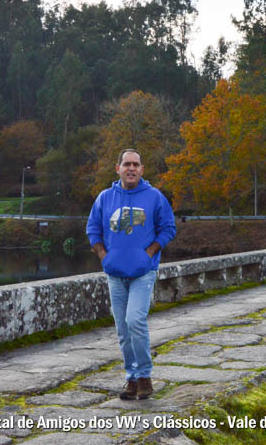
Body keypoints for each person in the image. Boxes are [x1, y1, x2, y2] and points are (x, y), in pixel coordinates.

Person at [86, 148, 176, 400]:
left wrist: (148, 253)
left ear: (142, 169)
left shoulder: (154, 197)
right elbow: (92, 228)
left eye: (136, 164)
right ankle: (132, 379)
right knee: (123, 330)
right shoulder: (105, 198)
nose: (131, 168)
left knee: (135, 320)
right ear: (118, 169)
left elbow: (168, 228)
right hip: (115, 274)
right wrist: (104, 255)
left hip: (142, 273)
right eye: (127, 164)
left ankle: (145, 376)